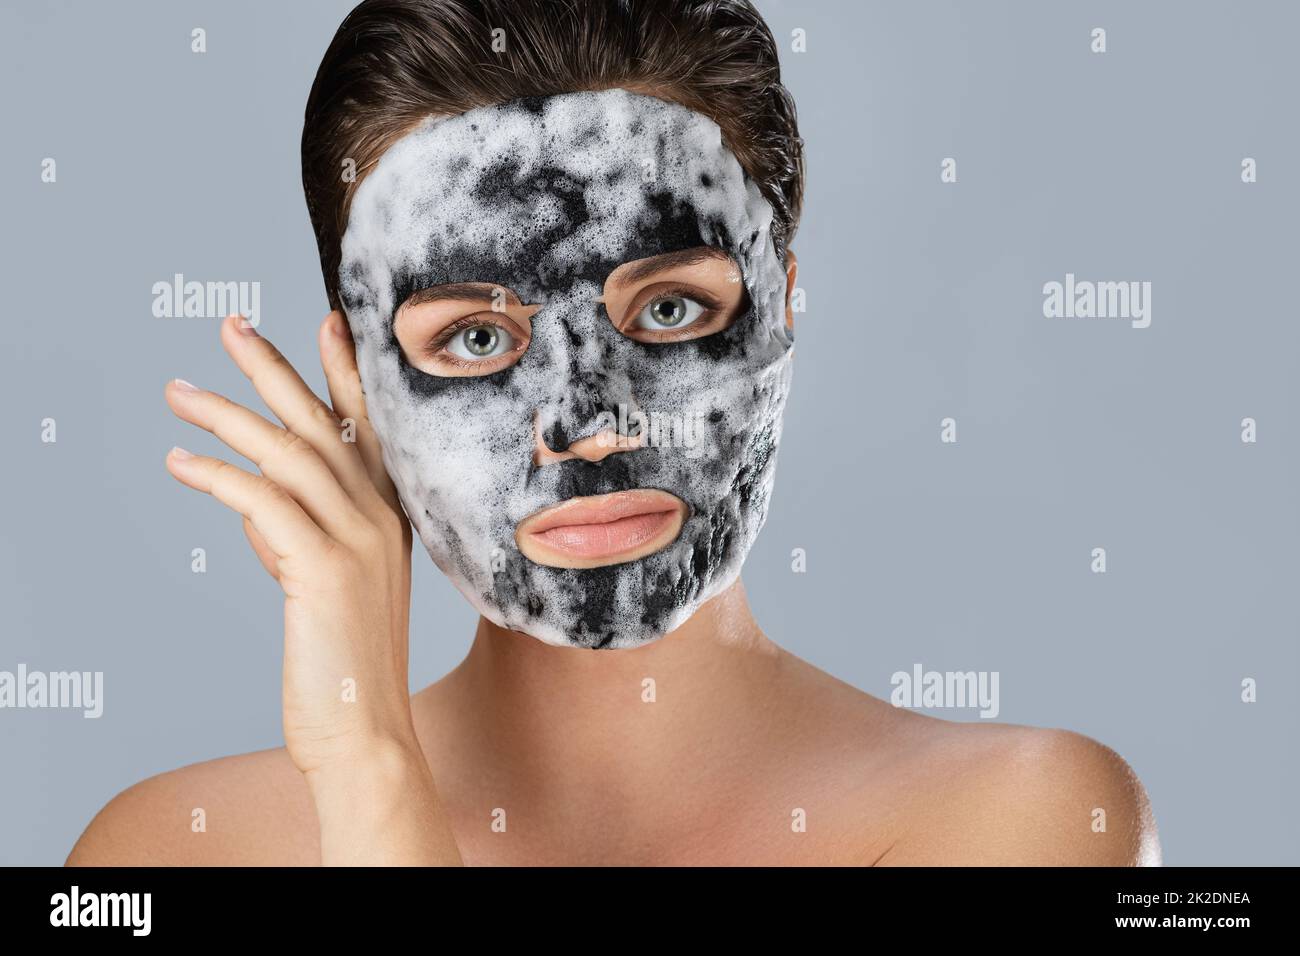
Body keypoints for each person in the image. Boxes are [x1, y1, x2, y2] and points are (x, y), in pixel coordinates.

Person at [67, 0, 1159, 866]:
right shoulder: (162, 855)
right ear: (356, 377)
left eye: (670, 310)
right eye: (477, 338)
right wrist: (365, 764)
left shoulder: (1029, 817)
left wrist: (374, 777)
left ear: (781, 303)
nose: (589, 423)